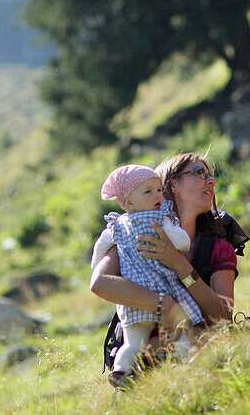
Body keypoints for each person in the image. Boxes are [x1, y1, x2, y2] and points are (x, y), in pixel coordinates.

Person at [90, 153, 249, 387]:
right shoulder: (132, 235)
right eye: (199, 173)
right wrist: (164, 304)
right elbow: (99, 283)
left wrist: (178, 264)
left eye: (210, 175)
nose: (212, 181)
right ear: (172, 185)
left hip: (199, 367)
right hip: (145, 370)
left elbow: (223, 318)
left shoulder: (219, 249)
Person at [92, 164, 203, 386]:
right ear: (128, 203)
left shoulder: (116, 227)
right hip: (164, 289)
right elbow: (181, 242)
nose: (157, 195)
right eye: (148, 191)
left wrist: (97, 264)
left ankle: (122, 371)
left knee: (133, 344)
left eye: (158, 190)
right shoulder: (160, 219)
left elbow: (99, 251)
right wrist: (175, 238)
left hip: (135, 300)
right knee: (181, 332)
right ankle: (191, 367)